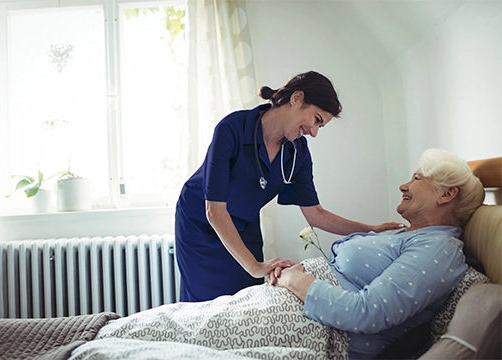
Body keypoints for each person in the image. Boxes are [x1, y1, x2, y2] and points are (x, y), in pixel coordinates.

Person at [175, 70, 403, 302]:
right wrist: (253, 266)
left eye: (320, 127)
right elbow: (214, 210)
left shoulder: (298, 153)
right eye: (316, 119)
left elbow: (316, 215)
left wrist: (371, 230)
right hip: (201, 224)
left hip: (244, 224)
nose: (313, 132)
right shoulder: (233, 128)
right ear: (297, 98)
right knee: (205, 303)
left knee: (245, 300)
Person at [268, 148, 486, 359]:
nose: (403, 186)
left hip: (314, 331)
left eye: (417, 178)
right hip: (287, 311)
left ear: (446, 194)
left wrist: (294, 280)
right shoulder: (409, 235)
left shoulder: (439, 247)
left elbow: (368, 313)